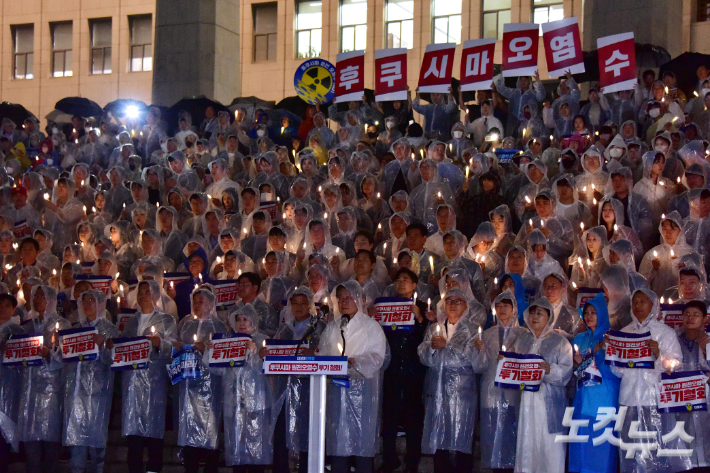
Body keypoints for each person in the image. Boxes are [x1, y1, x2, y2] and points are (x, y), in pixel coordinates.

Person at [609, 288, 688, 473]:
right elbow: (618, 371)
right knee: (630, 446)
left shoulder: (665, 333)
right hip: (628, 398)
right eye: (635, 302)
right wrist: (613, 354)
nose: (637, 306)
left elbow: (676, 364)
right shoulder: (624, 332)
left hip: (654, 399)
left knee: (655, 446)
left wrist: (659, 354)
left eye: (642, 301)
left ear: (653, 305)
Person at [318, 281, 387, 473]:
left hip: (362, 394)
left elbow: (378, 357)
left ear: (358, 299)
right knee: (338, 443)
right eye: (340, 299)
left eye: (348, 297)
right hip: (335, 392)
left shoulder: (371, 326)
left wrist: (355, 361)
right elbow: (323, 353)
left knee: (361, 445)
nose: (344, 302)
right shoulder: (333, 327)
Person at [417, 287, 484, 473]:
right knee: (439, 441)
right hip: (437, 391)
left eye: (457, 301)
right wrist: (431, 348)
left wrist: (447, 347)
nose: (452, 305)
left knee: (461, 439)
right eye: (449, 301)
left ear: (466, 306)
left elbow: (472, 359)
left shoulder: (472, 330)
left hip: (462, 394)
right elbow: (423, 356)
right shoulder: (434, 328)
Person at [117, 280, 177, 473]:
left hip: (154, 384)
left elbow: (174, 349)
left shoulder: (167, 320)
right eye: (140, 292)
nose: (142, 295)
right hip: (132, 384)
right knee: (134, 439)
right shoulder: (131, 321)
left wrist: (161, 344)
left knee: (154, 437)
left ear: (156, 295)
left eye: (146, 292)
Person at [208, 303, 273, 473]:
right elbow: (218, 370)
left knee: (256, 448)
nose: (242, 323)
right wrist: (209, 353)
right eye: (238, 320)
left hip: (257, 404)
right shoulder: (227, 342)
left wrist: (257, 356)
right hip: (234, 403)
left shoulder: (262, 340)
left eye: (246, 319)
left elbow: (268, 371)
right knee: (236, 447)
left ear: (254, 321)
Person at [512, 297, 573, 473]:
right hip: (526, 403)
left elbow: (566, 374)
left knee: (550, 450)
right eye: (532, 312)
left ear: (549, 316)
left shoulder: (560, 342)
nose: (535, 317)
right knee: (527, 444)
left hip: (550, 404)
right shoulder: (522, 341)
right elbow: (514, 370)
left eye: (540, 313)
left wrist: (549, 370)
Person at [62, 290, 119, 473]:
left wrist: (102, 345)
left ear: (100, 303)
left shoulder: (110, 329)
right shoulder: (75, 328)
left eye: (91, 300)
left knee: (96, 443)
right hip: (75, 392)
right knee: (76, 441)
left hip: (97, 394)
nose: (87, 304)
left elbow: (115, 360)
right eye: (83, 300)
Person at [17, 285, 72, 473]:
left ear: (50, 300)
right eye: (35, 296)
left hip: (51, 392)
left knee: (50, 444)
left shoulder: (62, 325)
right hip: (30, 392)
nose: (38, 300)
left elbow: (66, 357)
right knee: (31, 444)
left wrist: (50, 354)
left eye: (42, 296)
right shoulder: (28, 326)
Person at [472, 290, 528, 473]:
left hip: (514, 394)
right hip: (491, 392)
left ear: (514, 308)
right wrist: (479, 351)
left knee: (514, 437)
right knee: (493, 436)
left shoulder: (524, 334)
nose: (502, 309)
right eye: (499, 305)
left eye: (506, 305)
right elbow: (479, 367)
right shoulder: (487, 334)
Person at [271, 287, 326, 473]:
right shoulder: (285, 328)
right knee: (281, 432)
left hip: (309, 388)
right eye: (295, 303)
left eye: (304, 303)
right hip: (285, 388)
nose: (300, 307)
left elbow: (327, 353)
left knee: (307, 432)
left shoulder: (319, 327)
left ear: (310, 305)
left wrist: (315, 353)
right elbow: (276, 352)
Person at [380, 268, 428, 473]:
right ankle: (389, 458)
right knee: (389, 417)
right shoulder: (386, 305)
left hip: (413, 369)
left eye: (405, 280)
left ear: (415, 285)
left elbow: (428, 338)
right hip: (391, 368)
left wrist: (420, 320)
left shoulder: (424, 307)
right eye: (398, 279)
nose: (401, 283)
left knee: (412, 418)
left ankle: (412, 462)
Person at [175, 286, 227, 473]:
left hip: (210, 388)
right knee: (189, 432)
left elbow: (223, 360)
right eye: (194, 301)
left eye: (201, 301)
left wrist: (205, 350)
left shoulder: (218, 326)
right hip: (187, 386)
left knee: (209, 432)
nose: (197, 305)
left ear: (211, 303)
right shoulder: (185, 323)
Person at [568, 293, 620, 473]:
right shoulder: (579, 339)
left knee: (601, 451)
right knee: (581, 449)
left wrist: (605, 352)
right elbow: (575, 370)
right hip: (582, 399)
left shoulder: (613, 338)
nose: (589, 316)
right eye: (587, 312)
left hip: (604, 400)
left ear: (603, 315)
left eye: (594, 312)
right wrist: (578, 362)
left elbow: (618, 371)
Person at [675, 299, 710, 472]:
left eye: (696, 314)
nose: (690, 318)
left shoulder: (708, 340)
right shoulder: (675, 340)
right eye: (687, 314)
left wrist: (706, 350)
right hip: (680, 400)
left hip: (705, 400)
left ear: (705, 318)